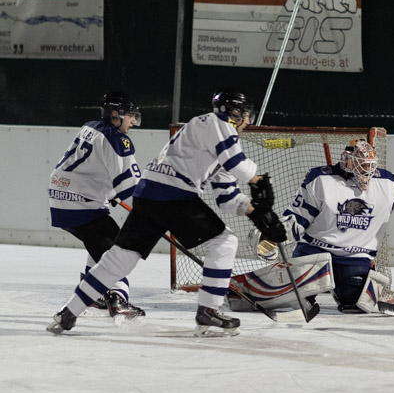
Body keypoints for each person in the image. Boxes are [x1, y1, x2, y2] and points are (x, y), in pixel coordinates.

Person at [47, 88, 287, 336]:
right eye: (246, 115)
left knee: (119, 259)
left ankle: (68, 313)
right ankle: (209, 310)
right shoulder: (215, 123)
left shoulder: (219, 142)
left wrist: (257, 214)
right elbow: (238, 164)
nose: (248, 121)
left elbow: (227, 197)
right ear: (235, 113)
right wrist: (258, 181)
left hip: (148, 194)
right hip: (173, 195)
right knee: (225, 242)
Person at [246, 138, 394, 313]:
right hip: (315, 252)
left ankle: (343, 286)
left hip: (356, 257)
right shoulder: (321, 179)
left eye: (370, 166)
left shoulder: (388, 182)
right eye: (361, 165)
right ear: (347, 161)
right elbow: (298, 217)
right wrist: (274, 236)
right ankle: (263, 289)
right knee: (298, 301)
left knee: (356, 303)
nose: (367, 171)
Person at [48, 91, 145, 320]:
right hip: (81, 203)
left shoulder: (90, 126)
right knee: (118, 251)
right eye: (130, 115)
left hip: (60, 195)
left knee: (99, 242)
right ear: (115, 114)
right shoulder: (118, 140)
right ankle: (117, 298)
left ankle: (93, 292)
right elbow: (132, 188)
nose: (133, 121)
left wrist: (109, 192)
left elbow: (91, 167)